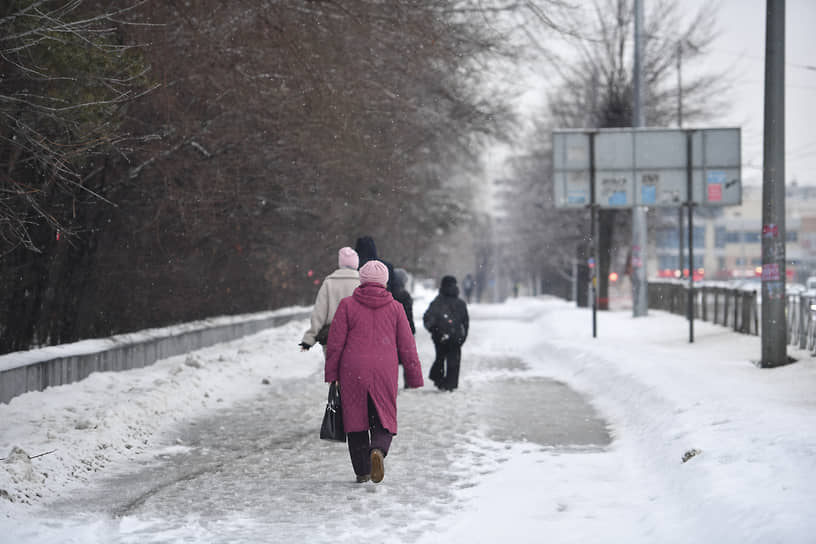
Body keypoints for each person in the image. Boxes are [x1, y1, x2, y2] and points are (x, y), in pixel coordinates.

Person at [324, 260, 424, 484]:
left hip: (352, 369)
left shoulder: (347, 305)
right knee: (384, 416)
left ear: (362, 279)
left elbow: (335, 343)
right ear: (385, 282)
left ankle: (362, 470)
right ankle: (378, 449)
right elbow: (407, 345)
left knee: (356, 420)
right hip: (384, 369)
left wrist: (332, 374)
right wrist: (414, 375)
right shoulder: (396, 308)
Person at [299, 247, 360, 353]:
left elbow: (319, 312)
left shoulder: (329, 282)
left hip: (332, 337)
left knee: (333, 368)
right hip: (357, 336)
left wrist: (309, 339)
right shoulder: (362, 282)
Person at [423, 275, 469, 392]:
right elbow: (466, 323)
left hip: (440, 337)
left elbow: (427, 319)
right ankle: (451, 384)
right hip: (456, 337)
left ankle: (438, 379)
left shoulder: (437, 302)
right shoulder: (460, 303)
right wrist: (462, 338)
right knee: (454, 360)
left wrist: (434, 332)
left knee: (440, 357)